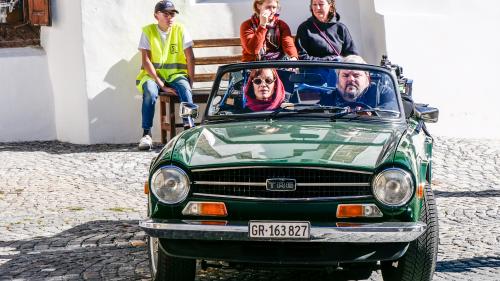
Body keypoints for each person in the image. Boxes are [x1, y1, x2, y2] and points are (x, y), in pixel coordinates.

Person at [135, 0, 195, 150]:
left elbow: (191, 58)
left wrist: (190, 83)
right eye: (166, 14)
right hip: (153, 76)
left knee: (185, 89)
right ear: (157, 16)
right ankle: (146, 134)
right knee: (149, 91)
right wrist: (161, 84)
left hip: (176, 75)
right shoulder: (148, 31)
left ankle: (189, 131)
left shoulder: (180, 29)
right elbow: (146, 60)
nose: (170, 17)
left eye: (172, 14)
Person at [320, 55, 398, 111]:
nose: (351, 79)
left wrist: (373, 114)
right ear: (338, 79)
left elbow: (394, 106)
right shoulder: (329, 98)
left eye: (356, 75)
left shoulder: (381, 93)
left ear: (367, 78)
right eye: (345, 75)